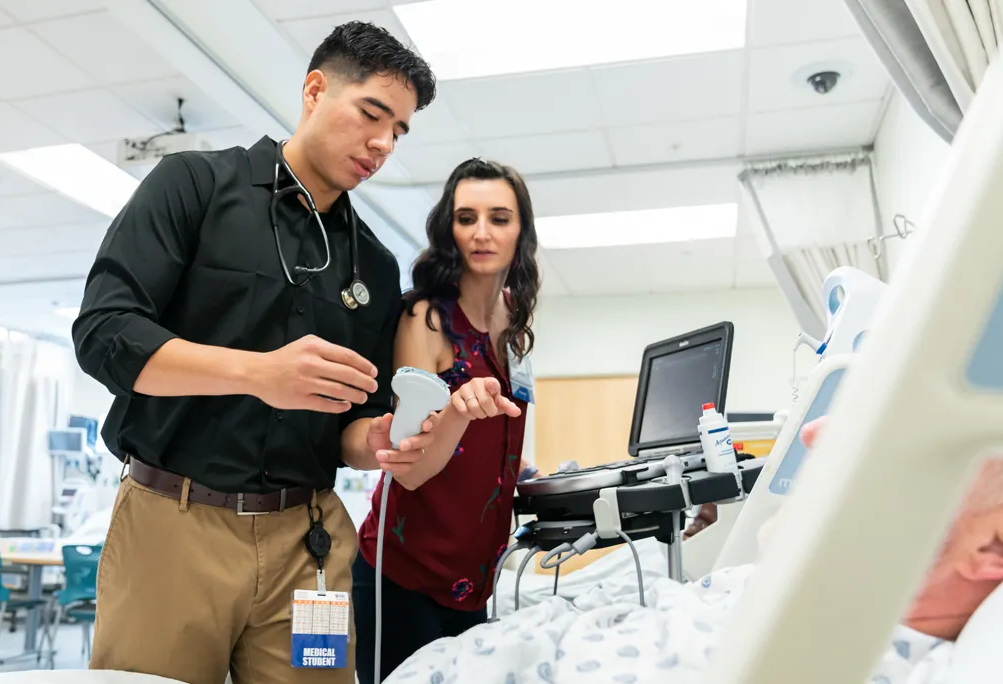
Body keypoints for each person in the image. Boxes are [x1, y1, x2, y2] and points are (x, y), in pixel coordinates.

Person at [71, 22, 436, 684]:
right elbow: (104, 333)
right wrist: (257, 374)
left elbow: (354, 428)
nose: (383, 143)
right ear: (316, 90)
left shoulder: (375, 268)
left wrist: (379, 437)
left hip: (310, 548)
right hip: (174, 529)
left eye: (400, 131)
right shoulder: (195, 187)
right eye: (372, 114)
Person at [381, 416, 1003, 683]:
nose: (814, 433)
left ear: (991, 545)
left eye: (892, 433)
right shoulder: (823, 597)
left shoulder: (830, 656)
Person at [352, 158, 541, 683]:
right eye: (467, 217)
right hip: (404, 577)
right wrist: (458, 410)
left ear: (521, 230)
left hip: (474, 581)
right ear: (448, 228)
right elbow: (408, 468)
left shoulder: (513, 320)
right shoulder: (427, 319)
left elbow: (492, 439)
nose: (482, 232)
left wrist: (522, 474)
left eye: (499, 218)